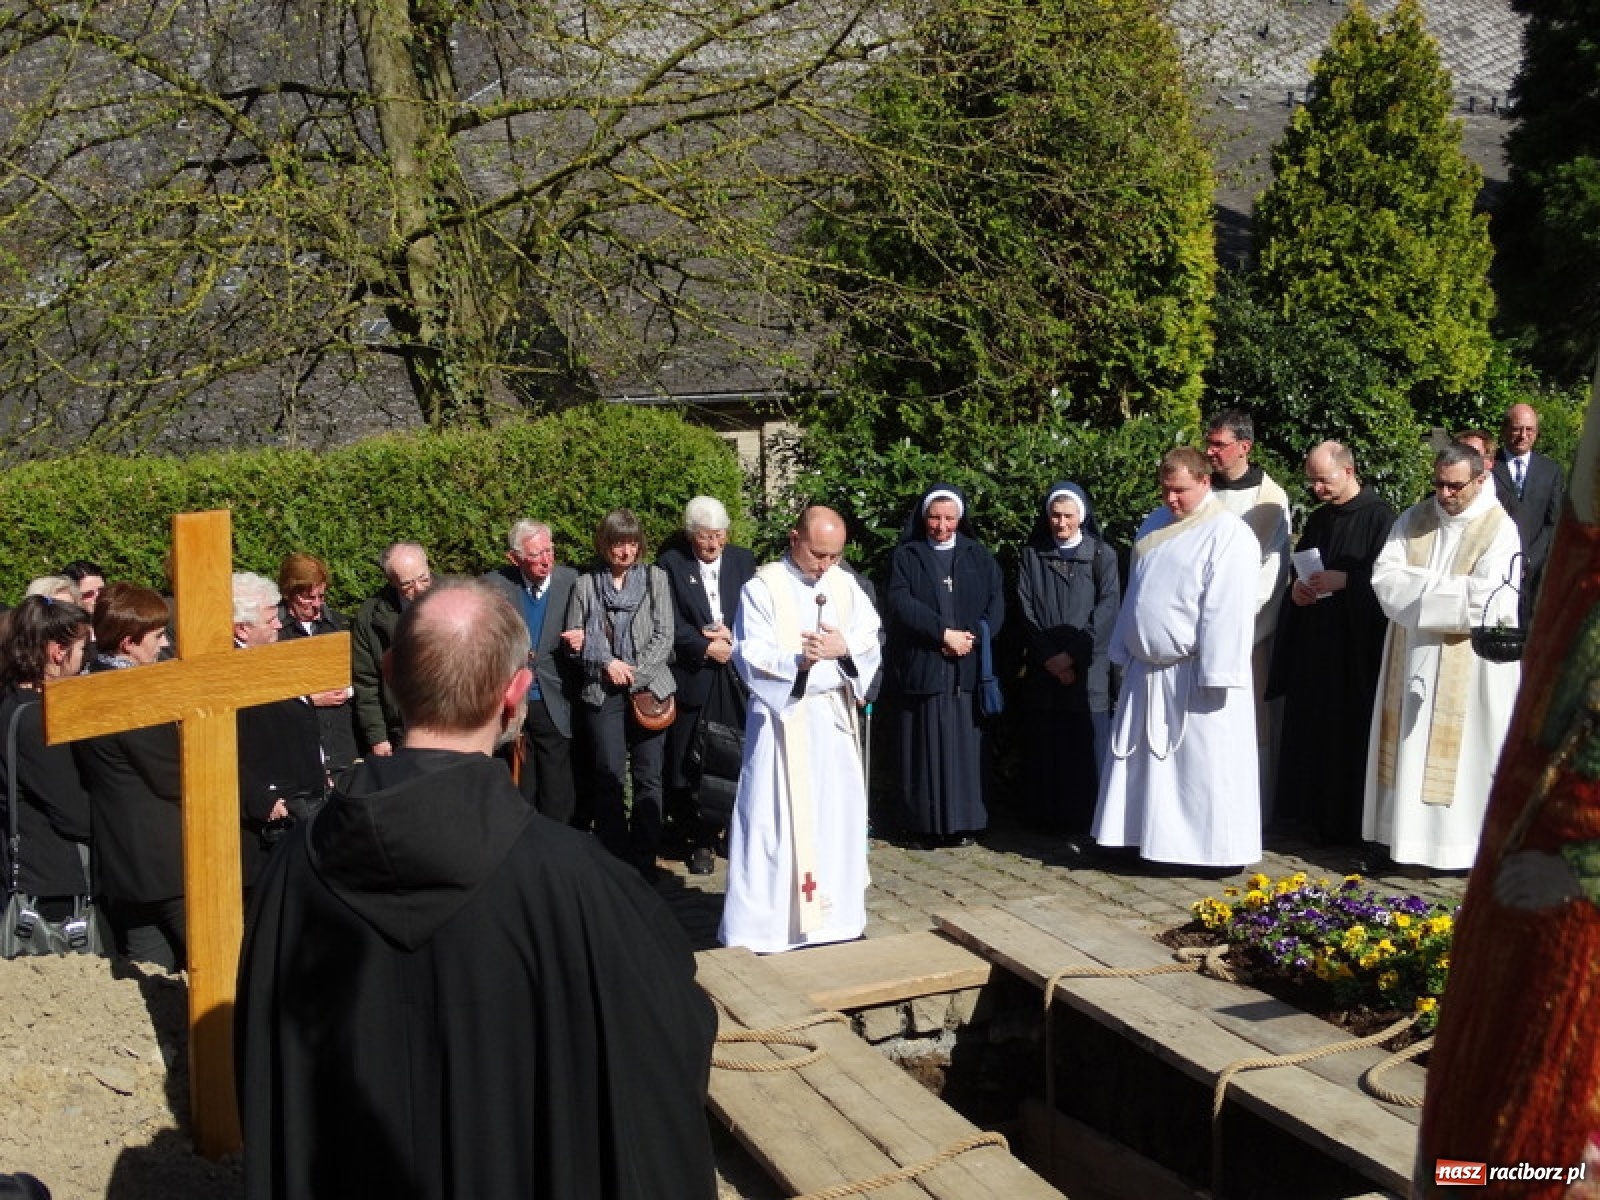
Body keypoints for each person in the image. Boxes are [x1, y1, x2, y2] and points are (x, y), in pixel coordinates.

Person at [236, 577, 717, 1199]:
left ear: (387, 672)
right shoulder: (580, 882)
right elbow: (667, 1041)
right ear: (516, 692)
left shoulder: (296, 868)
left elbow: (265, 1069)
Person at [719, 506, 882, 953]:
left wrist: (843, 647)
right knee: (776, 823)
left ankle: (837, 920)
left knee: (834, 819)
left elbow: (871, 637)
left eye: (834, 555)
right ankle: (767, 929)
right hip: (783, 724)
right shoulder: (762, 588)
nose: (826, 565)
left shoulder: (844, 585)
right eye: (817, 554)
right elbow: (749, 653)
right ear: (794, 538)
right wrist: (801, 662)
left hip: (831, 725)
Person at [1091, 448, 1262, 871]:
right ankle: (1145, 839)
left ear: (1205, 482)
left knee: (1199, 768)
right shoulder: (1154, 523)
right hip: (1147, 671)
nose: (1171, 499)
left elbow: (1227, 607)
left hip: (1194, 672)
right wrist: (1125, 646)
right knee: (1148, 767)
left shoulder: (1229, 534)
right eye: (1166, 490)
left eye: (1180, 491)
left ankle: (1207, 852)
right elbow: (1138, 592)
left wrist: (1217, 671)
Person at [1362, 442, 1521, 871]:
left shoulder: (1499, 529)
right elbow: (1384, 581)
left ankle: (1454, 849)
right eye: (1439, 485)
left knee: (1461, 756)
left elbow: (1485, 603)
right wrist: (1442, 588)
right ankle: (1401, 843)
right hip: (1409, 654)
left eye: (1455, 487)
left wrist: (1418, 589)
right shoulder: (1415, 518)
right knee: (1407, 749)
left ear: (1481, 479)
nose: (1445, 495)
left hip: (1466, 666)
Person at [1266, 442, 1395, 847]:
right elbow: (1303, 566)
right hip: (1317, 642)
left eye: (1324, 478)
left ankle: (1343, 824)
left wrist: (1348, 581)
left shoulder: (1382, 519)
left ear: (1349, 471)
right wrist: (1299, 591)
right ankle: (1306, 818)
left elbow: (1389, 582)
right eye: (1313, 480)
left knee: (1347, 733)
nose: (1317, 487)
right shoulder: (1321, 520)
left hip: (1354, 648)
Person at [884, 484, 1004, 849]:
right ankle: (921, 824)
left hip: (965, 669)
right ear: (923, 518)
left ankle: (965, 823)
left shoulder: (978, 556)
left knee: (965, 750)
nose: (941, 525)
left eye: (949, 518)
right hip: (925, 668)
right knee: (922, 750)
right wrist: (941, 634)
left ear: (960, 519)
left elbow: (996, 602)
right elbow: (899, 602)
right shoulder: (907, 556)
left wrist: (974, 637)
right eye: (935, 517)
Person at [72, 582, 185, 969]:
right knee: (216, 974)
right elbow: (173, 774)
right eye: (156, 636)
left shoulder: (85, 685)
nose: (164, 644)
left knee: (149, 979)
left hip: (124, 863)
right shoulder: (129, 695)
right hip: (165, 862)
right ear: (128, 642)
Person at [563, 510, 676, 880]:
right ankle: (615, 861)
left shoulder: (655, 579)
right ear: (605, 544)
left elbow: (665, 636)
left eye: (631, 543)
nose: (625, 551)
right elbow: (572, 641)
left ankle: (644, 860)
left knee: (648, 776)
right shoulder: (585, 585)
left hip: (649, 689)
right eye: (617, 543)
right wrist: (605, 660)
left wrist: (635, 674)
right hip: (602, 690)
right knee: (608, 773)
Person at [657, 496, 757, 875]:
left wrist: (735, 639)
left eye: (718, 536)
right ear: (690, 536)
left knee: (734, 754)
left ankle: (731, 831)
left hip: (735, 676)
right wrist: (704, 646)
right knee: (690, 762)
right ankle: (697, 839)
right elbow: (670, 622)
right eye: (704, 538)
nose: (713, 545)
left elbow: (756, 610)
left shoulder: (743, 561)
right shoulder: (672, 565)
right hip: (696, 676)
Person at [1015, 482, 1120, 836]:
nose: (1061, 523)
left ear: (1082, 517)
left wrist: (1072, 656)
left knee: (1085, 743)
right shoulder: (1032, 555)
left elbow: (1107, 611)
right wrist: (1048, 657)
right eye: (1055, 516)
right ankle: (1046, 815)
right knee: (1048, 742)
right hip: (1045, 668)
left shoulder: (1103, 556)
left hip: (1087, 667)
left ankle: (1086, 816)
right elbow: (1026, 609)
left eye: (1068, 516)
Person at [1203, 409, 1291, 809]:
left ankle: (1247, 811)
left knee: (1248, 724)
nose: (1210, 452)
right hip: (1195, 633)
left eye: (1219, 445)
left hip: (1245, 636)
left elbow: (1270, 574)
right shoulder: (1200, 490)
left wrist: (1230, 629)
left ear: (1245, 447)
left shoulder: (1269, 500)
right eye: (1209, 443)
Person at [0, 596, 95, 929]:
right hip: (52, 886)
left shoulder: (13, 703)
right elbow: (75, 813)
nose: (87, 661)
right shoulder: (36, 721)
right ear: (58, 651)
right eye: (83, 650)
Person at [481, 519, 579, 823]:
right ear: (515, 558)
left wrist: (583, 639)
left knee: (557, 787)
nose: (546, 560)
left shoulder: (572, 582)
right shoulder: (495, 586)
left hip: (554, 696)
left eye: (549, 550)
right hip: (515, 700)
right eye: (536, 555)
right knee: (521, 784)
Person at [233, 572, 324, 890]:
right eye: (270, 619)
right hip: (272, 816)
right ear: (242, 628)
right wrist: (263, 799)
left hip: (302, 800)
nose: (277, 625)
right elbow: (229, 749)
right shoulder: (229, 673)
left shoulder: (270, 658)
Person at [275, 553, 358, 783]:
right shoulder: (276, 633)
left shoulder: (338, 626)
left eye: (321, 596)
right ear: (289, 593)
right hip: (297, 750)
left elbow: (364, 676)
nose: (317, 605)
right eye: (308, 598)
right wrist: (309, 699)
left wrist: (347, 691)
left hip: (341, 746)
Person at [351, 541, 432, 756]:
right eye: (408, 585)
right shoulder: (369, 619)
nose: (419, 590)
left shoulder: (453, 597)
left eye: (424, 579)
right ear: (392, 582)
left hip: (450, 722)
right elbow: (366, 682)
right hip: (402, 729)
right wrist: (378, 737)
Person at [1492, 402, 1565, 625]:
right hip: (1495, 568)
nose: (1523, 435)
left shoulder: (1551, 471)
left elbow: (1552, 522)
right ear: (1505, 430)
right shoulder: (1488, 467)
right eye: (1517, 428)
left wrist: (1529, 560)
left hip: (1536, 573)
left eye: (1529, 430)